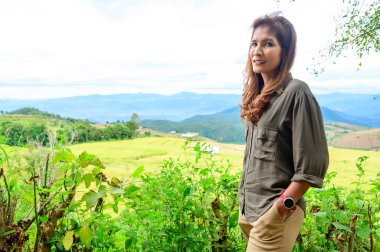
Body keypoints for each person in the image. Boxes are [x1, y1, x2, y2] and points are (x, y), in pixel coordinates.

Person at [238, 12, 329, 251]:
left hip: (275, 215)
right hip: (250, 213)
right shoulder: (259, 97)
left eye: (268, 43)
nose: (257, 51)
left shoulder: (297, 93)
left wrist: (280, 209)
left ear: (284, 52)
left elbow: (311, 167)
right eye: (254, 44)